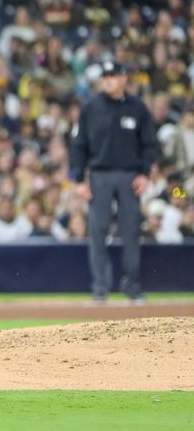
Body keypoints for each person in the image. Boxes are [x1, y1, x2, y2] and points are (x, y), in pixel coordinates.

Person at [69, 61, 158, 304]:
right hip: (99, 175)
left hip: (130, 176)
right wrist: (78, 179)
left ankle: (132, 286)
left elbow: (150, 144)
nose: (108, 79)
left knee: (131, 231)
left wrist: (144, 173)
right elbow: (78, 145)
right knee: (97, 233)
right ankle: (100, 288)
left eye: (113, 75)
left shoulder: (138, 108)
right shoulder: (90, 108)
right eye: (105, 75)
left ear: (123, 78)